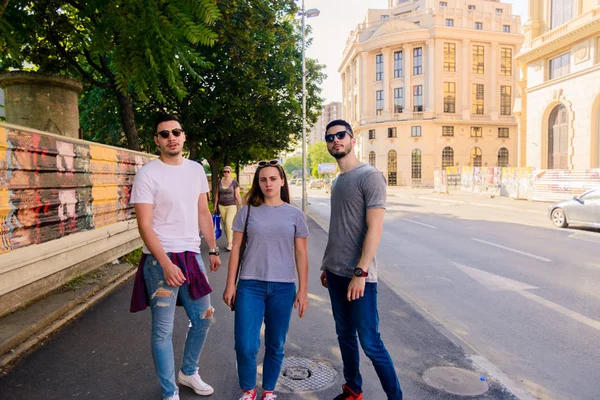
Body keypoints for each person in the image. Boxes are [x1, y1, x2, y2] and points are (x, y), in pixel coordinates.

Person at [129, 113, 222, 400]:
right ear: (157, 140)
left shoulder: (195, 170)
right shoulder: (147, 174)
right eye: (165, 133)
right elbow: (144, 225)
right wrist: (167, 263)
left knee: (204, 317)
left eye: (176, 132)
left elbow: (203, 211)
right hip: (160, 261)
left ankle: (188, 372)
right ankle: (170, 391)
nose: (172, 137)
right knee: (163, 331)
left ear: (183, 137)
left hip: (191, 256)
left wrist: (213, 247)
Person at [320, 119, 403, 400]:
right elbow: (338, 227)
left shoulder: (370, 176)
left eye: (340, 135)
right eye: (330, 138)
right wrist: (326, 264)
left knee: (370, 342)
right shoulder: (338, 181)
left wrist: (361, 271)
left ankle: (396, 396)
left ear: (353, 139)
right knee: (344, 336)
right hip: (335, 272)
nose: (335, 141)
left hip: (360, 277)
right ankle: (353, 389)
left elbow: (375, 228)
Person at [223, 160, 309, 400]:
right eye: (263, 179)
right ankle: (248, 389)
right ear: (257, 183)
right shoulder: (247, 210)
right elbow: (237, 248)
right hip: (250, 285)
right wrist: (231, 284)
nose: (268, 183)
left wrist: (303, 290)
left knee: (276, 344)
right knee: (245, 344)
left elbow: (301, 254)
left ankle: (268, 391)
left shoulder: (295, 215)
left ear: (282, 181)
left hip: (283, 288)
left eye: (273, 179)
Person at [213, 165, 242, 251]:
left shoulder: (234, 182)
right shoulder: (220, 182)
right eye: (224, 171)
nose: (226, 173)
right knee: (226, 225)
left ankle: (230, 244)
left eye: (228, 171)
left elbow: (237, 195)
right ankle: (230, 240)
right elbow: (217, 195)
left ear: (231, 172)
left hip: (231, 205)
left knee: (229, 223)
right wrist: (215, 206)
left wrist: (241, 205)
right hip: (221, 205)